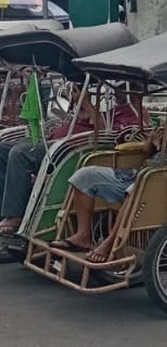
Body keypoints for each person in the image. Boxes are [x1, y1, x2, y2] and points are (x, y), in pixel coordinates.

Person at [56, 100, 167, 264]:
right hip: (139, 174)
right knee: (85, 176)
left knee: (137, 190)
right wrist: (152, 141)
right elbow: (147, 150)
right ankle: (83, 235)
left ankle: (109, 244)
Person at [0, 87, 104, 238]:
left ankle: (14, 215)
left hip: (69, 148)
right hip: (54, 141)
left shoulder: (125, 113)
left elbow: (103, 131)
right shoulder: (83, 108)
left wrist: (87, 103)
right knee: (2, 149)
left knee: (20, 153)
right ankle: (5, 208)